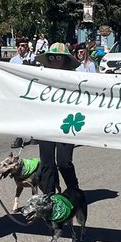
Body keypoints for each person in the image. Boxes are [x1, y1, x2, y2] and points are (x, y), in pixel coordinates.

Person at [36, 42, 87, 216]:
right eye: (52, 57)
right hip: (46, 125)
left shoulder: (75, 79)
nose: (55, 60)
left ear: (65, 60)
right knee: (47, 163)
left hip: (68, 124)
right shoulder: (39, 76)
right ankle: (49, 198)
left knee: (64, 162)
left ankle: (74, 191)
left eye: (59, 57)